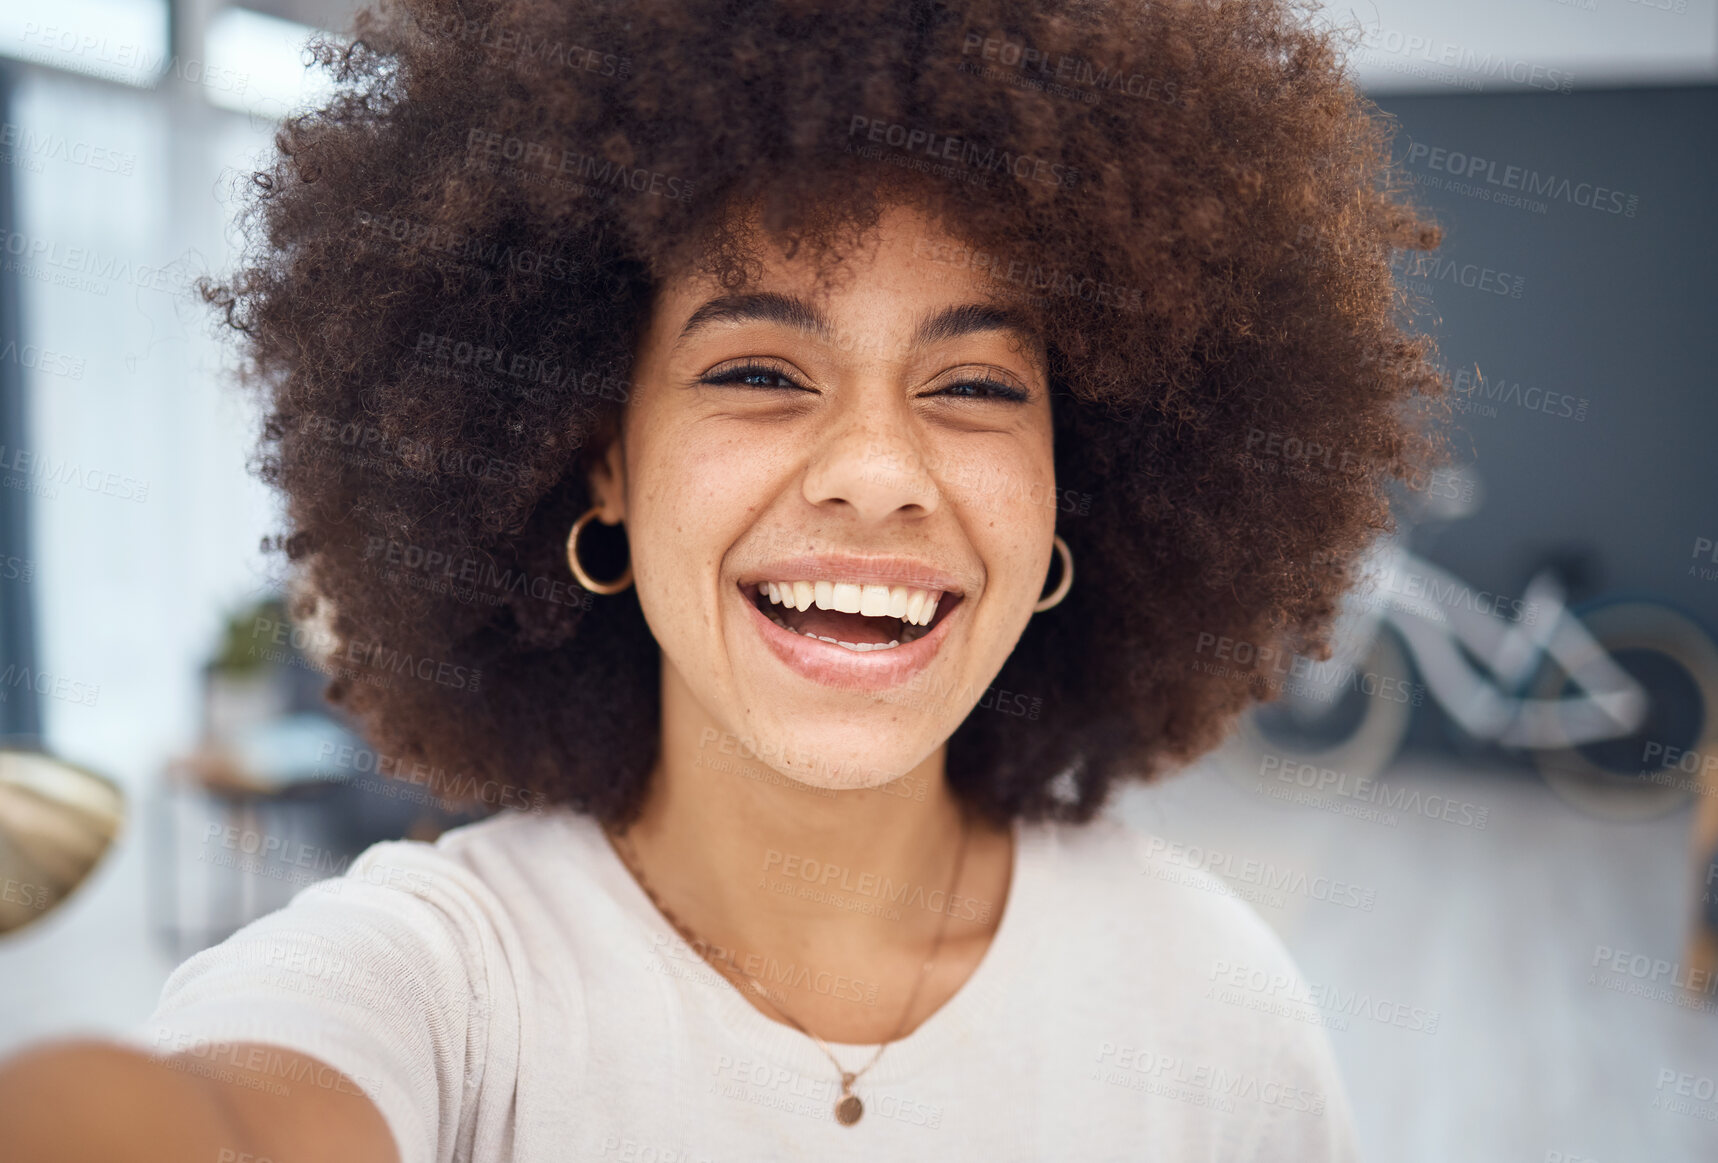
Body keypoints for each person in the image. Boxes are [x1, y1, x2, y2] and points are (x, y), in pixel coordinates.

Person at [0, 0, 1450, 1158]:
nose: (876, 470)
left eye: (972, 385)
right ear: (599, 462)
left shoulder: (1212, 1003)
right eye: (757, 368)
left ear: (1084, 485)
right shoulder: (434, 987)